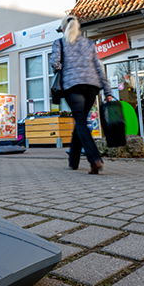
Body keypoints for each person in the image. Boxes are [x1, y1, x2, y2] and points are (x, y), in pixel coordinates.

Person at [50, 14, 114, 174]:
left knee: (80, 121)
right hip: (92, 87)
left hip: (73, 87)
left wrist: (62, 65)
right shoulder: (88, 43)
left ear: (63, 29)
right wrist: (108, 91)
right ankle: (73, 160)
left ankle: (95, 159)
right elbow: (98, 68)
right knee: (80, 122)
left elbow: (55, 64)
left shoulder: (60, 43)